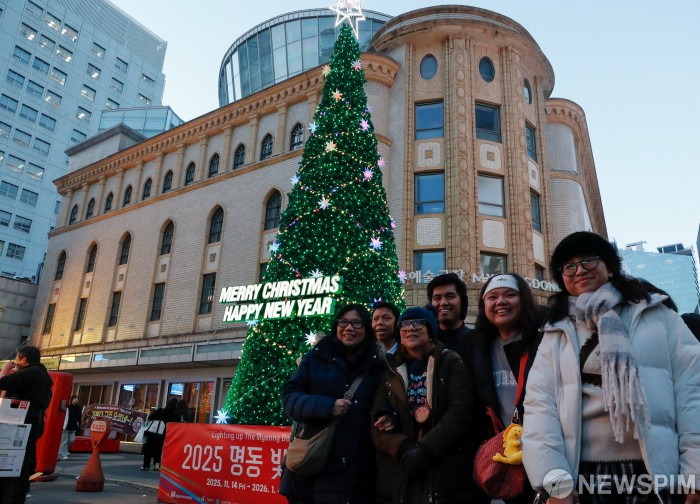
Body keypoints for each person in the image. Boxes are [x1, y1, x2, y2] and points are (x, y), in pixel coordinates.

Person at [522, 231, 700, 504]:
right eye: (569, 266)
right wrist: (555, 484)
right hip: (584, 476)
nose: (580, 270)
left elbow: (693, 393)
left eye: (589, 260)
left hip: (659, 474)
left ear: (610, 266)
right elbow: (539, 410)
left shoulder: (657, 315)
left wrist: (695, 476)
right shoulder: (555, 331)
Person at [280, 304, 385, 503]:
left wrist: (387, 416)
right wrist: (327, 406)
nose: (349, 328)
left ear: (366, 328)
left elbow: (386, 402)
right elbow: (290, 397)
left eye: (356, 323)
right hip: (317, 466)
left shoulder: (378, 364)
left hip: (361, 472)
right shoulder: (317, 356)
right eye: (343, 322)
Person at [371, 305, 474, 504]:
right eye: (404, 324)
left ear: (430, 330)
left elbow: (459, 412)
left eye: (418, 323)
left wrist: (425, 450)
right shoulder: (390, 370)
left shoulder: (449, 361)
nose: (410, 328)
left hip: (442, 470)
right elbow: (376, 424)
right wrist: (402, 447)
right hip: (400, 472)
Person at [471, 273, 544, 503]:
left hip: (543, 449)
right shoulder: (480, 347)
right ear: (484, 305)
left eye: (510, 295)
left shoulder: (544, 341)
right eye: (492, 297)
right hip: (506, 453)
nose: (501, 302)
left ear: (524, 300)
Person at [0, 345, 53, 504]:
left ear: (24, 360)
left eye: (16, 359)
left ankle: (10, 496)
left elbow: (2, 383)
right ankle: (17, 495)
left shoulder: (29, 373)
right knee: (23, 460)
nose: (15, 362)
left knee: (11, 460)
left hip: (19, 420)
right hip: (34, 421)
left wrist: (5, 369)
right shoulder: (44, 375)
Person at [427, 272, 473, 364]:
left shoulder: (477, 341)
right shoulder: (426, 341)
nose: (443, 303)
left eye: (450, 296)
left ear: (462, 301)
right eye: (437, 298)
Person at [141, 398, 175, 471]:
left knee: (148, 448)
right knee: (158, 449)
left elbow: (150, 418)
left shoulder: (160, 410)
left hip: (151, 432)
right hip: (161, 434)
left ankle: (146, 465)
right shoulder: (173, 414)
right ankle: (156, 465)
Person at [58, 395, 82, 461]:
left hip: (73, 426)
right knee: (64, 441)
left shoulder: (79, 408)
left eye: (77, 399)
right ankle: (63, 455)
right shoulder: (68, 407)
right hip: (66, 426)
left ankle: (64, 451)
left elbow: (79, 418)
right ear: (71, 400)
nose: (76, 400)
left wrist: (78, 426)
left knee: (71, 440)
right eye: (75, 398)